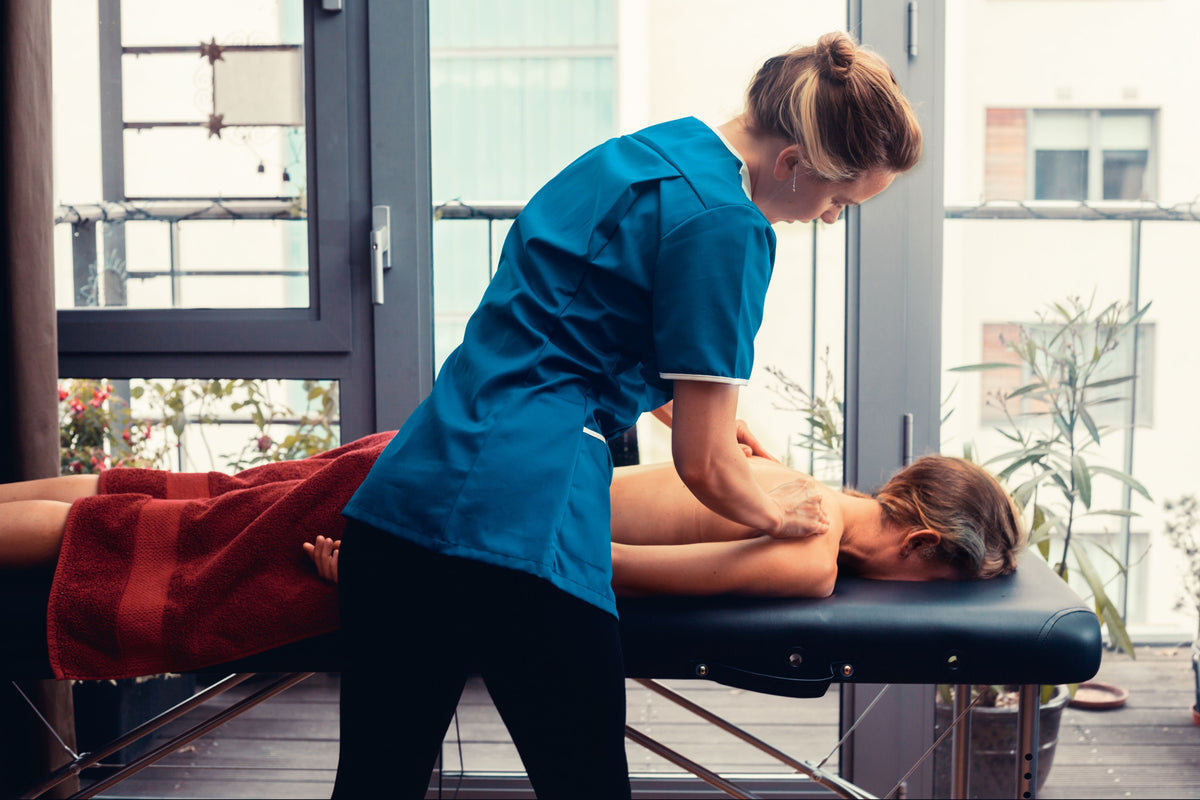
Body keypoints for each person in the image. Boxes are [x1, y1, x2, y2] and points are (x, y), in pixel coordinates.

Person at [336, 30, 923, 799]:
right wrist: (777, 515)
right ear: (792, 164)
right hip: (523, 521)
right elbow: (707, 468)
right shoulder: (728, 225)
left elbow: (573, 315)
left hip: (410, 494)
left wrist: (680, 400)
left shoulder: (639, 154)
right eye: (838, 202)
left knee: (377, 784)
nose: (828, 219)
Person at [0, 447, 1024, 592]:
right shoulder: (808, 556)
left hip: (468, 452)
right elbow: (600, 565)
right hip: (459, 503)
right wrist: (408, 569)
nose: (921, 587)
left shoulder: (785, 470)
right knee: (173, 541)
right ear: (928, 540)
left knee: (205, 499)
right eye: (938, 575)